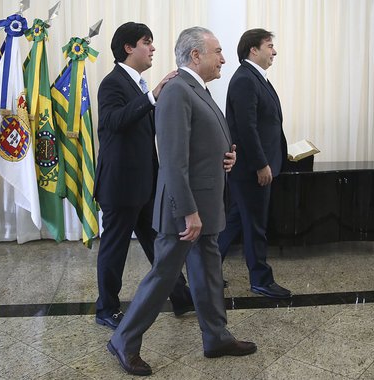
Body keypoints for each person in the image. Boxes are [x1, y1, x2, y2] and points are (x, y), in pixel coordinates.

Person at [107, 26, 257, 376]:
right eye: (217, 51)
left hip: (204, 206)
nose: (223, 58)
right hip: (184, 209)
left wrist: (227, 156)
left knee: (207, 274)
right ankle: (123, 340)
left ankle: (216, 337)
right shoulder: (177, 91)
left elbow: (204, 143)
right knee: (163, 276)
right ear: (195, 56)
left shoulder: (198, 89)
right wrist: (188, 211)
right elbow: (173, 160)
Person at [93, 22, 193, 330]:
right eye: (146, 42)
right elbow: (113, 122)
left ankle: (181, 297)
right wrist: (152, 97)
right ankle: (106, 308)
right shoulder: (112, 83)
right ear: (128, 48)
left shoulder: (137, 83)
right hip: (120, 186)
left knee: (161, 244)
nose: (152, 48)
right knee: (115, 248)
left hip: (146, 184)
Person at [217, 29, 291, 299]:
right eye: (269, 46)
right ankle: (261, 279)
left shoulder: (255, 78)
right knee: (256, 225)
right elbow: (247, 128)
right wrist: (262, 164)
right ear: (253, 50)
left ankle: (208, 270)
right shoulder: (246, 80)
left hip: (250, 167)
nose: (274, 51)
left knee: (236, 221)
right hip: (251, 169)